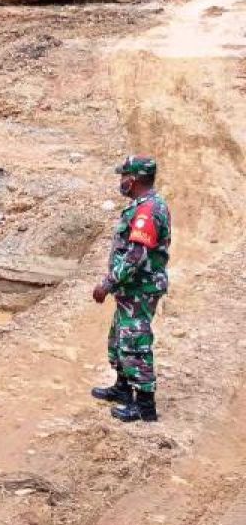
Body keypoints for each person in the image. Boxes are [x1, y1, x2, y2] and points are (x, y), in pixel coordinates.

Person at [91, 156, 170, 422]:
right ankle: (123, 388)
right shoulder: (143, 206)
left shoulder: (147, 211)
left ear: (133, 179)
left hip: (140, 288)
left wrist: (108, 283)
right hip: (131, 289)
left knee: (135, 342)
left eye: (123, 176)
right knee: (119, 338)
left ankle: (145, 406)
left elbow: (136, 255)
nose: (121, 181)